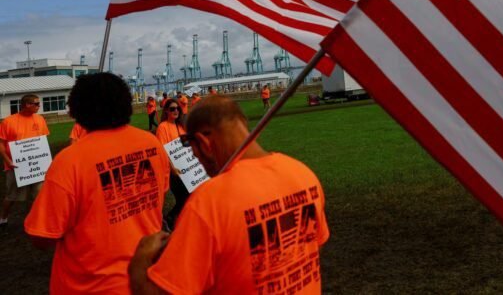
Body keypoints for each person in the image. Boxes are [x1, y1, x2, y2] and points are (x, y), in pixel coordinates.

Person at [129, 95, 329, 294]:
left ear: (203, 143)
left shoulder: (209, 201)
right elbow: (314, 246)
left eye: (193, 151)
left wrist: (140, 262)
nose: (197, 160)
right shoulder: (303, 174)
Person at [24, 73, 171, 293]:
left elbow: (41, 236)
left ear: (77, 109)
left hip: (90, 285)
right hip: (146, 277)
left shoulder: (70, 160)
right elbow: (161, 192)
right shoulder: (151, 144)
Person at [0, 93, 49, 228]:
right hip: (15, 167)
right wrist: (8, 161)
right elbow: (1, 144)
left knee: (39, 194)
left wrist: (44, 160)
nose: (39, 106)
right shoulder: (8, 122)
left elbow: (43, 141)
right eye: (37, 104)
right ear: (27, 105)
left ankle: (38, 221)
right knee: (12, 196)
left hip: (37, 167)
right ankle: (3, 218)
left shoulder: (40, 119)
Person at [154, 99, 189, 229]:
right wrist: (172, 168)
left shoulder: (181, 126)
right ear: (167, 111)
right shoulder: (163, 127)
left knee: (189, 197)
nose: (176, 111)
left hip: (187, 169)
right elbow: (163, 151)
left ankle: (176, 219)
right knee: (182, 198)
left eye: (177, 109)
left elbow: (188, 146)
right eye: (173, 109)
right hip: (174, 171)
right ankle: (169, 218)